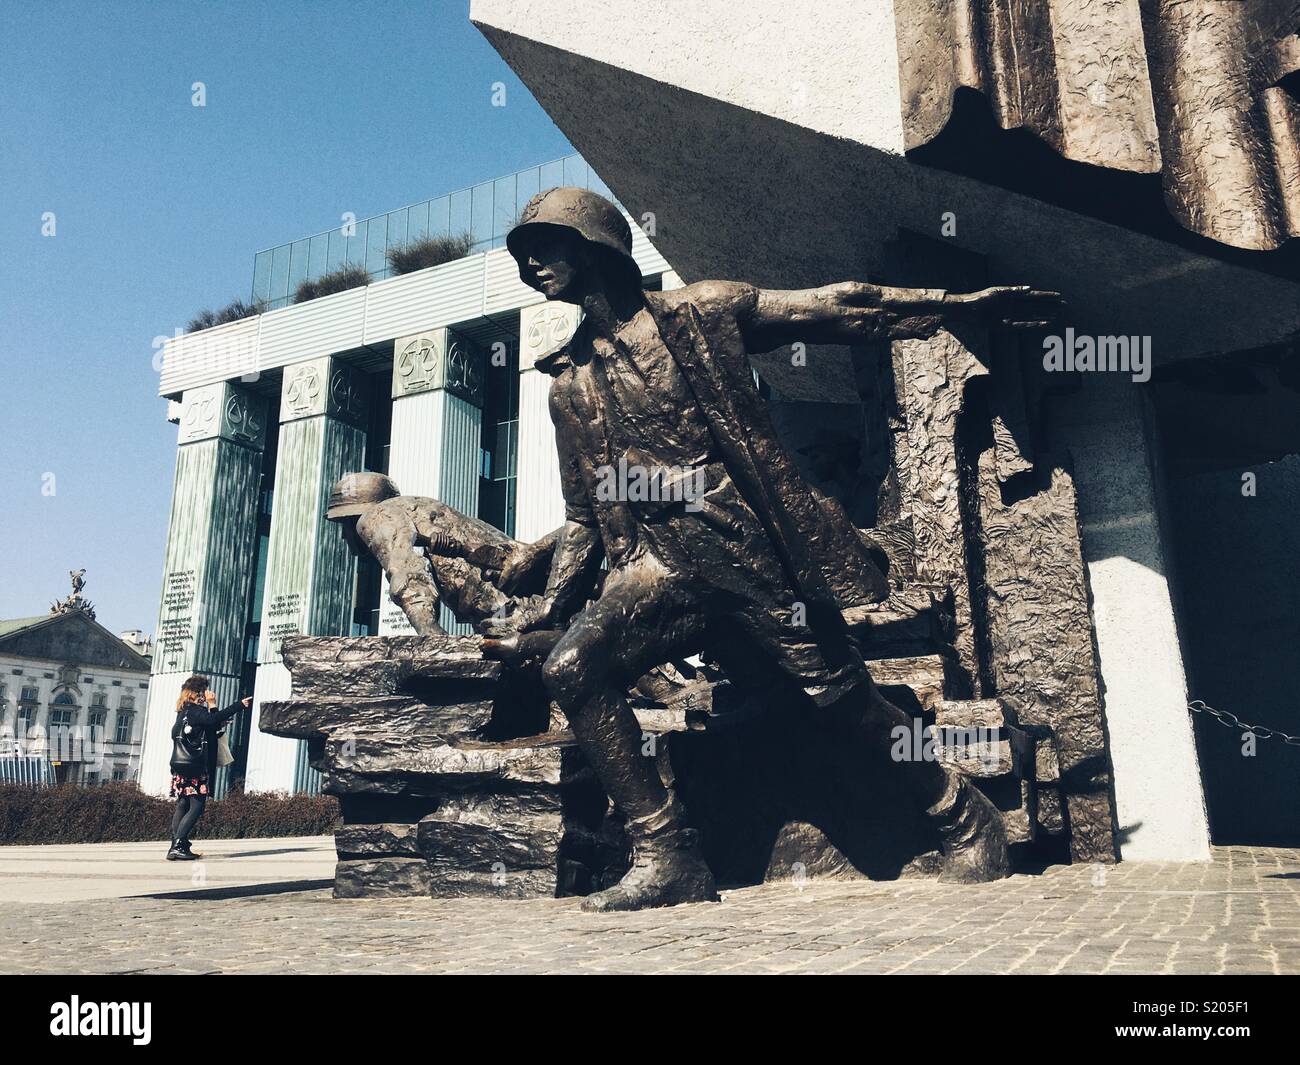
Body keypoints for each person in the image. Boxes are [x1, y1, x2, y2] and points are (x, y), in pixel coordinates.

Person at [491, 186, 1060, 911]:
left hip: (747, 553)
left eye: (547, 243)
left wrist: (955, 308)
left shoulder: (697, 314)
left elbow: (832, 306)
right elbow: (581, 516)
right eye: (524, 254)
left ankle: (960, 812)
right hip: (659, 567)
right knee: (573, 667)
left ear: (596, 244)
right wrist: (544, 610)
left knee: (843, 701)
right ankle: (669, 856)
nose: (533, 262)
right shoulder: (568, 384)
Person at [325, 471, 556, 634]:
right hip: (523, 605)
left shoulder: (376, 515)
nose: (345, 536)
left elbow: (406, 570)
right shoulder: (419, 507)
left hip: (510, 613)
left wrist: (429, 632)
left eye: (344, 524)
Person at [167, 675, 250, 861]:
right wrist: (238, 705)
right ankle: (179, 845)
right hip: (195, 766)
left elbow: (210, 724)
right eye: (205, 691)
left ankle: (176, 844)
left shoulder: (183, 712)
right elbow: (213, 719)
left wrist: (216, 719)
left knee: (183, 803)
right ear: (199, 693)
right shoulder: (196, 710)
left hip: (180, 766)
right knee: (197, 804)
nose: (207, 694)